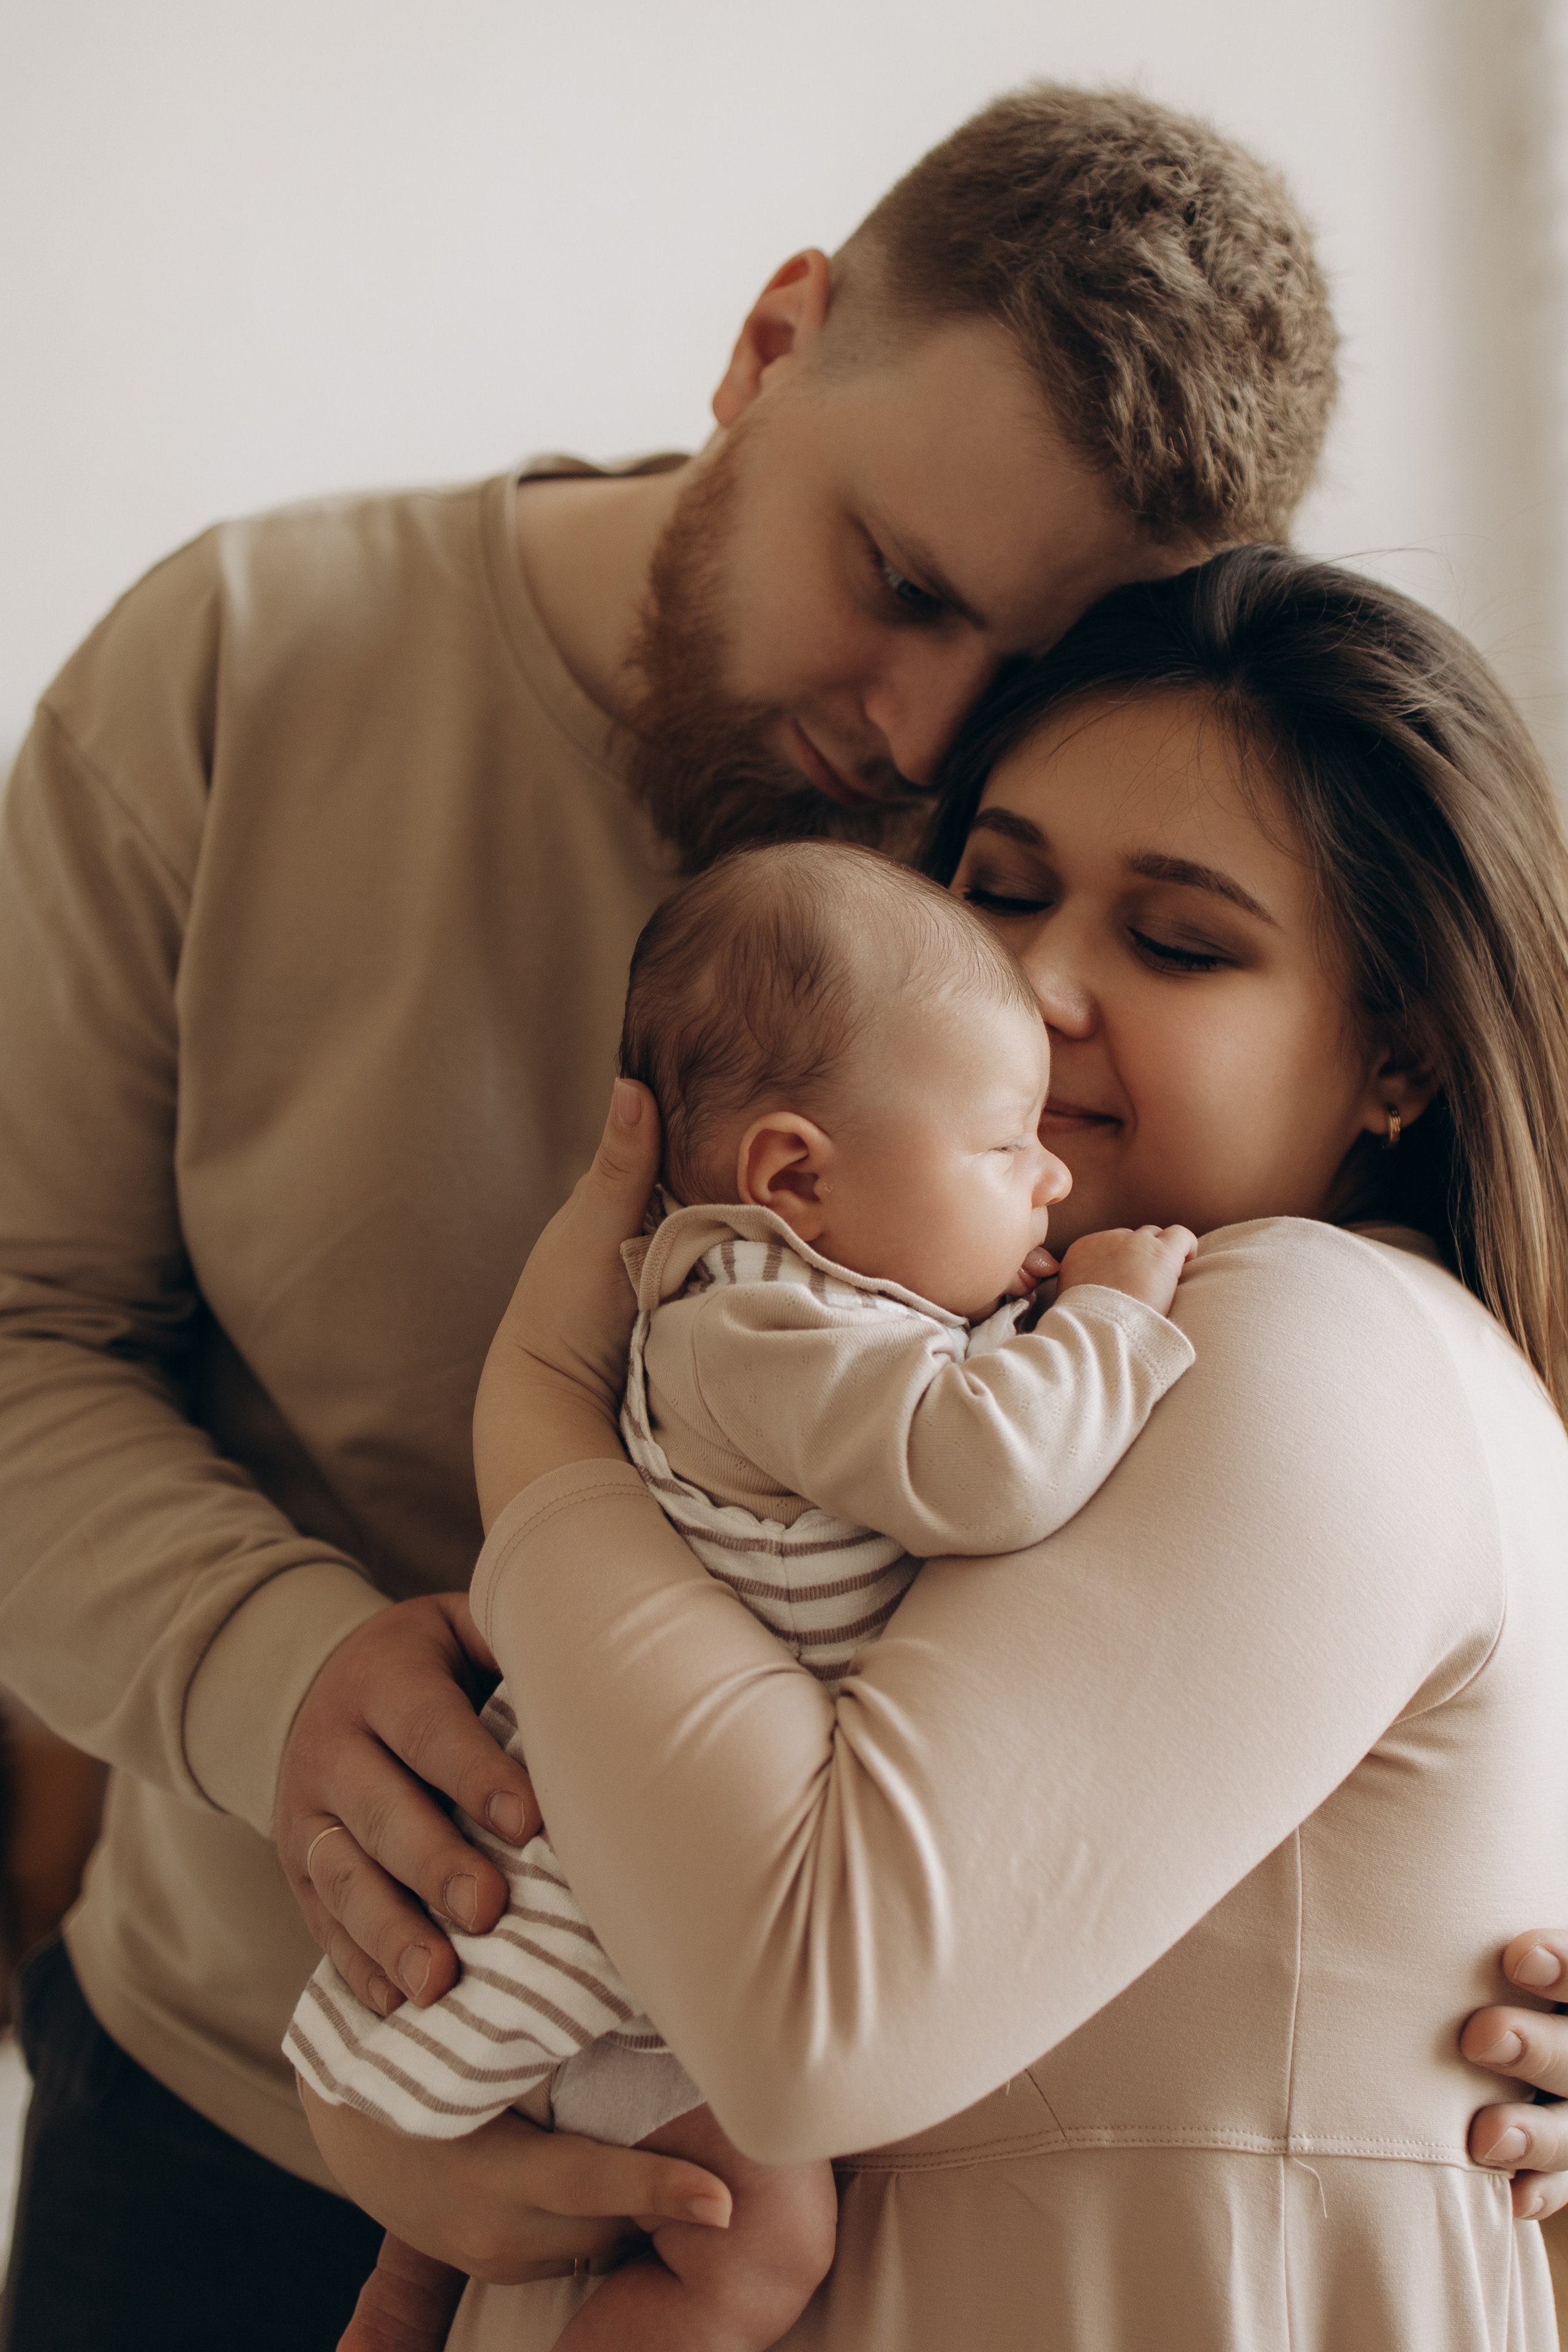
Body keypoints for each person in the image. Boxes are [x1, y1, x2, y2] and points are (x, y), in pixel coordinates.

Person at [0, 77, 1564, 2351]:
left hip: (788, 2173)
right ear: (769, 344)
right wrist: (277, 1680)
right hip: (259, 2075)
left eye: (1017, 679)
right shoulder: (251, 667)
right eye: (899, 589)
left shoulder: (1222, 1198)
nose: (923, 734)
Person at [306, 548, 1568, 2348]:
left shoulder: (1301, 1331)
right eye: (998, 892)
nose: (1037, 986)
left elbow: (813, 2004)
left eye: (1181, 940)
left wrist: (545, 1440)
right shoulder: (951, 1357)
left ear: (1403, 1062)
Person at [289, 842, 1194, 2351]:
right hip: (585, 1889)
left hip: (670, 1892)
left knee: (710, 2226)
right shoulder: (756, 1321)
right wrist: (1103, 1315)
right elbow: (979, 1471)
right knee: (727, 2231)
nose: (1049, 1175)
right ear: (795, 1180)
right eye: (1003, 1145)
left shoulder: (837, 1322)